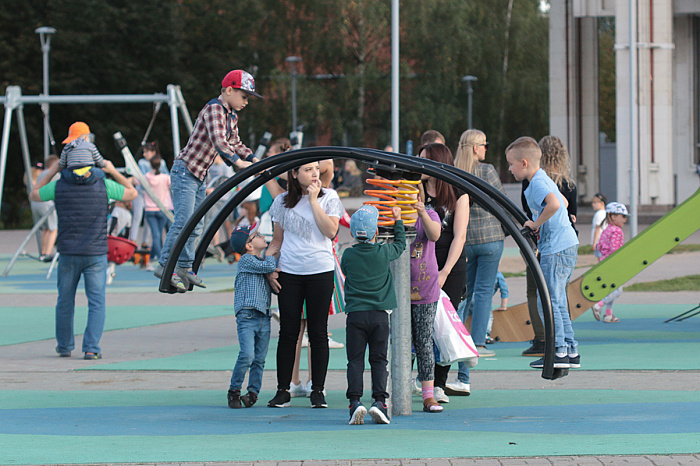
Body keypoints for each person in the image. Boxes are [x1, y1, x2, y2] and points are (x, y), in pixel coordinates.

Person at [154, 69, 263, 291]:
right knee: (183, 221)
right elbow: (219, 141)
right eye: (244, 96)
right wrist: (236, 162)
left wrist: (252, 158)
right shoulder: (215, 108)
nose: (246, 102)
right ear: (229, 90)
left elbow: (236, 142)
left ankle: (184, 267)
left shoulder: (231, 115)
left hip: (199, 175)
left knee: (197, 225)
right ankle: (165, 264)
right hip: (185, 171)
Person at [29, 158, 137, 359]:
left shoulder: (59, 185)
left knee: (64, 300)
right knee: (96, 301)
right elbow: (132, 192)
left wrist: (53, 170)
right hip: (95, 253)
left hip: (68, 252)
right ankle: (91, 348)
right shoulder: (104, 184)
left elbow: (34, 194)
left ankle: (64, 346)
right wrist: (113, 170)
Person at [265, 161, 345, 408]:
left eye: (316, 169)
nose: (314, 173)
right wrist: (268, 268)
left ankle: (317, 390)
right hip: (289, 272)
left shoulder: (329, 197)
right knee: (288, 332)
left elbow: (331, 231)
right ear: (294, 173)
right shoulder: (281, 201)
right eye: (308, 169)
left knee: (319, 332)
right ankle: (283, 389)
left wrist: (312, 201)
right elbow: (277, 241)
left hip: (320, 271)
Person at [505, 136, 580, 370]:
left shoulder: (536, 183)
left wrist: (536, 224)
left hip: (556, 249)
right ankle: (569, 349)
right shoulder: (543, 178)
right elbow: (564, 204)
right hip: (566, 244)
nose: (509, 169)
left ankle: (558, 350)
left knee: (547, 301)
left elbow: (556, 205)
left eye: (511, 164)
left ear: (524, 163)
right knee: (557, 299)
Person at [341, 205, 405, 425]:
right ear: (376, 232)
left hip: (356, 316)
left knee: (355, 361)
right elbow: (400, 245)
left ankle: (355, 402)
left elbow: (345, 270)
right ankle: (380, 402)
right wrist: (398, 221)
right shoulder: (383, 252)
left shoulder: (348, 254)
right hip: (380, 316)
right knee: (379, 360)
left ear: (351, 233)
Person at [419, 143, 470, 403]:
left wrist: (445, 272)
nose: (418, 164)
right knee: (421, 325)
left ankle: (439, 382)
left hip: (449, 263)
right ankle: (422, 378)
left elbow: (459, 236)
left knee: (444, 324)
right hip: (420, 264)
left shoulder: (458, 192)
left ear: (437, 162)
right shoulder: (415, 189)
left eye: (424, 159)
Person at [453, 129, 506, 364]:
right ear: (475, 148)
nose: (486, 148)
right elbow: (500, 199)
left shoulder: (454, 171)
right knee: (485, 291)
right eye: (484, 144)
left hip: (465, 239)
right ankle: (478, 342)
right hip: (490, 237)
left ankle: (457, 338)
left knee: (466, 291)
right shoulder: (486, 171)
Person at [226, 224, 278, 409]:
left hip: (263, 316)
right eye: (256, 235)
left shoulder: (260, 264)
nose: (262, 235)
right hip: (247, 315)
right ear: (249, 246)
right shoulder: (247, 261)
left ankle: (253, 393)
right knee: (247, 355)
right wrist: (271, 253)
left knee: (260, 358)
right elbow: (269, 265)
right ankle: (234, 390)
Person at [408, 192, 444, 412]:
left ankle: (428, 394)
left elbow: (434, 235)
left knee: (423, 340)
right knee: (399, 343)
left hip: (425, 288)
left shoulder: (429, 214)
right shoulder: (393, 216)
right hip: (399, 289)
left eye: (412, 191)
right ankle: (395, 389)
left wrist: (421, 212)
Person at [592, 202, 628, 323]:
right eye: (623, 216)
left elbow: (599, 247)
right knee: (618, 290)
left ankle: (608, 314)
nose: (625, 219)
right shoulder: (617, 231)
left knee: (611, 289)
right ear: (613, 216)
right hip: (612, 265)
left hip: (604, 263)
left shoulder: (607, 230)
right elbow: (615, 250)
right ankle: (599, 305)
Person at [130, 141, 169, 248]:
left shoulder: (162, 162)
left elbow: (165, 176)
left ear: (153, 152)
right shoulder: (142, 163)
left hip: (152, 195)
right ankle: (132, 240)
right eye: (144, 152)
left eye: (146, 152)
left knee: (148, 218)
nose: (144, 154)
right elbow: (142, 178)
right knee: (137, 216)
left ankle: (145, 242)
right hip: (141, 192)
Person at [141, 155, 173, 271]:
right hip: (163, 209)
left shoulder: (146, 177)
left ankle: (157, 260)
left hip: (150, 210)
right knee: (158, 235)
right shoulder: (165, 178)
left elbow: (136, 181)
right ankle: (157, 260)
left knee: (156, 236)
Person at [29, 156, 59, 261]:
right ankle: (48, 253)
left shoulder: (41, 174)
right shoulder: (52, 174)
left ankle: (43, 252)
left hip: (36, 202)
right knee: (53, 228)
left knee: (45, 229)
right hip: (46, 203)